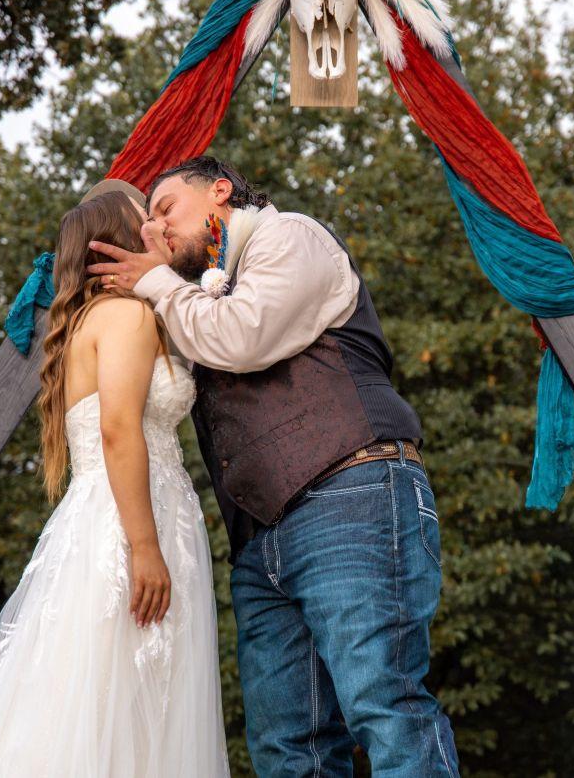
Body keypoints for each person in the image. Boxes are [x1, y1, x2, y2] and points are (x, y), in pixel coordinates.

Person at [89, 156, 461, 776]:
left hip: (353, 496)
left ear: (221, 190)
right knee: (287, 749)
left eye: (166, 209)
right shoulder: (190, 297)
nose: (158, 228)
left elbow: (242, 336)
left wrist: (154, 280)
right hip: (257, 544)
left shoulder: (289, 235)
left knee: (385, 709)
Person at [0, 183, 228, 777]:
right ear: (118, 242)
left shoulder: (90, 321)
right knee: (123, 699)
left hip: (110, 518)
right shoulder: (127, 317)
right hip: (129, 527)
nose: (158, 228)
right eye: (145, 219)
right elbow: (118, 429)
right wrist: (145, 547)